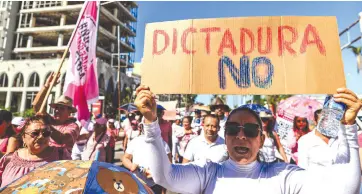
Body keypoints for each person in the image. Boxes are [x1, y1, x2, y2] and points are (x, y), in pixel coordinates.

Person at [134, 86, 361, 194]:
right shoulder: (208, 172)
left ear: (261, 140)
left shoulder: (283, 175)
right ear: (226, 136)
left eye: (251, 130)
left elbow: (344, 190)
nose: (241, 135)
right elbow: (165, 176)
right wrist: (151, 122)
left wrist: (348, 126)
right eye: (233, 128)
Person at [0, 115, 71, 187]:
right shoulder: (8, 159)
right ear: (23, 137)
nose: (41, 137)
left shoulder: (61, 156)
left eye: (46, 133)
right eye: (35, 133)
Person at [32, 72, 80, 155]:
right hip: (44, 159)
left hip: (61, 163)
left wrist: (47, 124)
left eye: (62, 108)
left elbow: (62, 139)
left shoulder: (73, 126)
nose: (57, 110)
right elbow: (36, 106)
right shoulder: (50, 120)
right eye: (56, 107)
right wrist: (47, 86)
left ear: (69, 112)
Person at [122, 126, 172, 194]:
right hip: (137, 182)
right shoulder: (136, 141)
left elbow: (169, 167)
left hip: (156, 185)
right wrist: (131, 166)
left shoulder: (163, 144)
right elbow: (125, 158)